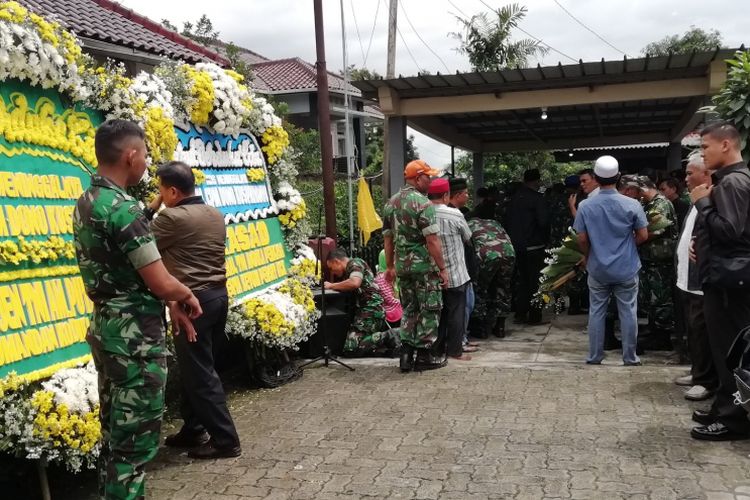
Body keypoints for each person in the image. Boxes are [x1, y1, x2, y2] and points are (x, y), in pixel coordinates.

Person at [73, 120, 202, 499]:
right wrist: (185, 295)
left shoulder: (88, 201)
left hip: (108, 329)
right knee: (135, 446)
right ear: (130, 156)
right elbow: (160, 282)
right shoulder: (124, 209)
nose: (146, 162)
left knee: (115, 437)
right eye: (145, 154)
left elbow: (125, 243)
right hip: (136, 342)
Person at [145, 161, 241, 460]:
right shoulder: (214, 214)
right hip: (217, 297)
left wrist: (153, 207)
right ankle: (193, 427)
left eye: (161, 190)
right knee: (198, 368)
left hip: (191, 304)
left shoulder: (171, 219)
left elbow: (136, 239)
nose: (160, 195)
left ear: (172, 191)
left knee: (200, 375)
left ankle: (226, 441)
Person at [690, 121, 750, 441]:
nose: (703, 153)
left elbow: (730, 230)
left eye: (705, 147)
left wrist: (701, 202)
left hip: (730, 283)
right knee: (725, 349)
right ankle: (724, 407)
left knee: (730, 351)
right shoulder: (730, 181)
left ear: (726, 145)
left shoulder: (733, 183)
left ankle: (734, 420)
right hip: (726, 277)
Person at [573, 155, 648, 365]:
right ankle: (630, 357)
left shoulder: (586, 206)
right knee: (628, 311)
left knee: (596, 311)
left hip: (597, 268)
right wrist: (627, 247)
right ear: (619, 177)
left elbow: (581, 238)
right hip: (626, 267)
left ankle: (595, 356)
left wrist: (588, 256)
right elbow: (643, 235)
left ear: (595, 177)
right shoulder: (632, 204)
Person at [383, 160, 449, 372]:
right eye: (428, 177)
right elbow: (432, 241)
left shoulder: (390, 204)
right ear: (418, 178)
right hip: (424, 269)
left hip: (403, 268)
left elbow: (388, 240)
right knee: (429, 309)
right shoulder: (424, 204)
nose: (430, 181)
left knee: (409, 308)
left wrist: (391, 266)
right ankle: (424, 356)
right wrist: (443, 268)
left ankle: (405, 355)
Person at [673, 153, 717, 402]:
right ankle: (697, 371)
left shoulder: (712, 198)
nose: (685, 178)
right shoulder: (696, 198)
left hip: (701, 279)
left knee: (702, 330)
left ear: (706, 173)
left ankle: (705, 380)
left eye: (690, 173)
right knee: (694, 328)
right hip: (686, 277)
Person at [325, 249, 400, 356]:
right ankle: (384, 343)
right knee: (352, 348)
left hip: (371, 310)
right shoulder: (350, 270)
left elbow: (355, 283)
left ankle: (391, 334)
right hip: (368, 311)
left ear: (336, 261)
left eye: (331, 268)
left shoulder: (355, 264)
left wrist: (331, 286)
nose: (333, 272)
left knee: (351, 348)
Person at [428, 178, 472, 361]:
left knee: (438, 314)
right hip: (455, 274)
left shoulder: (424, 213)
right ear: (446, 195)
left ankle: (436, 350)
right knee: (456, 313)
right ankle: (455, 351)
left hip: (433, 274)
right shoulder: (455, 214)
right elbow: (468, 237)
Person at [634, 176, 679, 350]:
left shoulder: (661, 204)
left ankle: (662, 337)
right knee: (652, 297)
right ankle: (655, 330)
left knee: (661, 298)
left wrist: (635, 239)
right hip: (651, 259)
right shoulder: (650, 204)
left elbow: (653, 230)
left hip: (660, 260)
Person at [506, 168, 550, 325]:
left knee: (522, 281)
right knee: (536, 281)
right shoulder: (538, 199)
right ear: (537, 181)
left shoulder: (512, 199)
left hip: (516, 247)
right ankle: (535, 315)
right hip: (534, 246)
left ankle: (520, 313)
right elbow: (543, 222)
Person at [467, 217, 516, 339]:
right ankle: (500, 327)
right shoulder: (494, 222)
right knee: (503, 288)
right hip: (508, 252)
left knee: (480, 288)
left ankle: (481, 328)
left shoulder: (468, 223)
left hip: (487, 254)